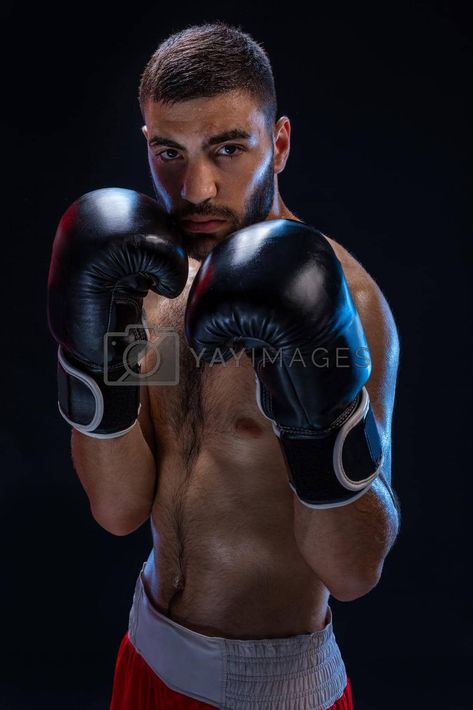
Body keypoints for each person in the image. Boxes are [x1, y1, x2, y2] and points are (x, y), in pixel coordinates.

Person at [47, 21, 401, 709]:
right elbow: (118, 508)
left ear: (280, 143)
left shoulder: (347, 305)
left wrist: (320, 417)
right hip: (145, 648)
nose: (197, 187)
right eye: (168, 152)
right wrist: (90, 357)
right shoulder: (146, 283)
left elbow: (354, 571)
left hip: (266, 688)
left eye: (227, 149)